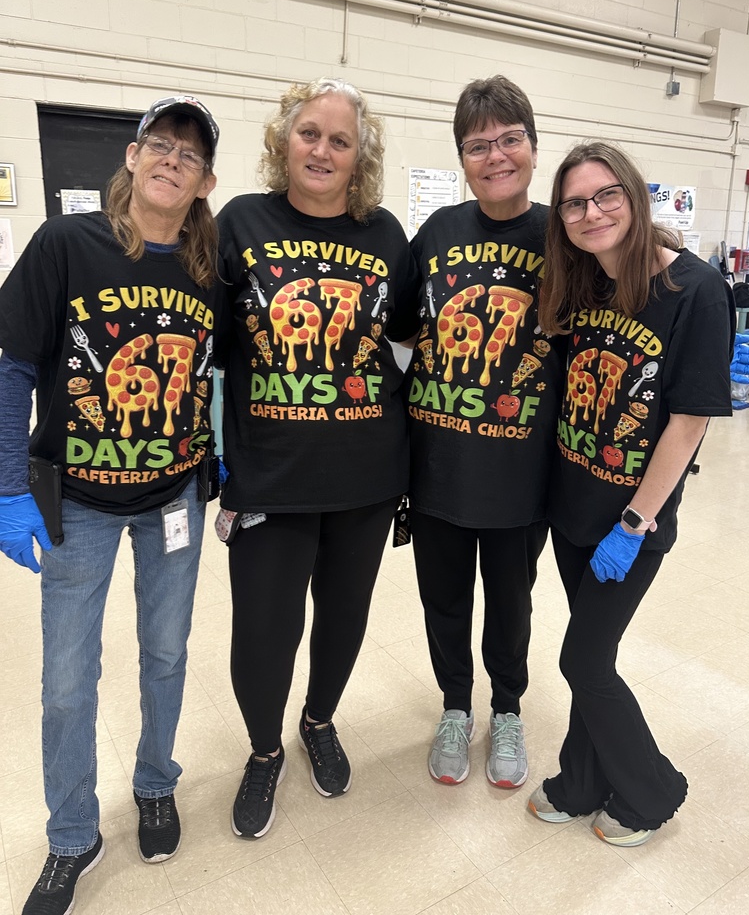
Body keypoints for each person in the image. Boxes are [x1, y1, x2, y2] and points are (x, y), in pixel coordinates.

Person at [0, 95, 220, 914]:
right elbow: (11, 366)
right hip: (80, 504)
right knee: (66, 680)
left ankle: (155, 783)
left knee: (166, 655)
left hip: (173, 500)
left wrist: (223, 460)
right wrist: (8, 488)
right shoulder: (66, 243)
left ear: (205, 182)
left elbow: (223, 371)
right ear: (131, 156)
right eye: (160, 144)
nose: (172, 160)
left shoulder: (210, 267)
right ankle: (72, 833)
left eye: (190, 155)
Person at [216, 77, 420, 838]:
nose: (323, 150)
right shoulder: (241, 221)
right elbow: (209, 343)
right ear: (284, 139)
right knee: (262, 631)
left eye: (341, 140)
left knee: (344, 618)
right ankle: (264, 750)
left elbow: (408, 334)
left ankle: (319, 720)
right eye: (310, 133)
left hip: (367, 475)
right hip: (268, 473)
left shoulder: (386, 233)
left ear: (359, 156)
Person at [528, 140, 734, 846]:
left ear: (634, 196)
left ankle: (652, 792)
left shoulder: (694, 290)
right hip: (571, 508)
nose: (592, 213)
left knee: (582, 660)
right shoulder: (586, 282)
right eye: (574, 204)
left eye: (606, 195)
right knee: (592, 655)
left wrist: (636, 522)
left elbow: (689, 420)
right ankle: (581, 782)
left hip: (629, 524)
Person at [404, 76, 562, 788]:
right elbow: (399, 327)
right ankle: (454, 707)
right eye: (478, 145)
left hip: (521, 473)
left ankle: (507, 709)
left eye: (509, 139)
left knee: (510, 603)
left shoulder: (563, 235)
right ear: (462, 159)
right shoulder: (438, 232)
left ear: (533, 146)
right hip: (438, 466)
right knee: (443, 601)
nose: (495, 156)